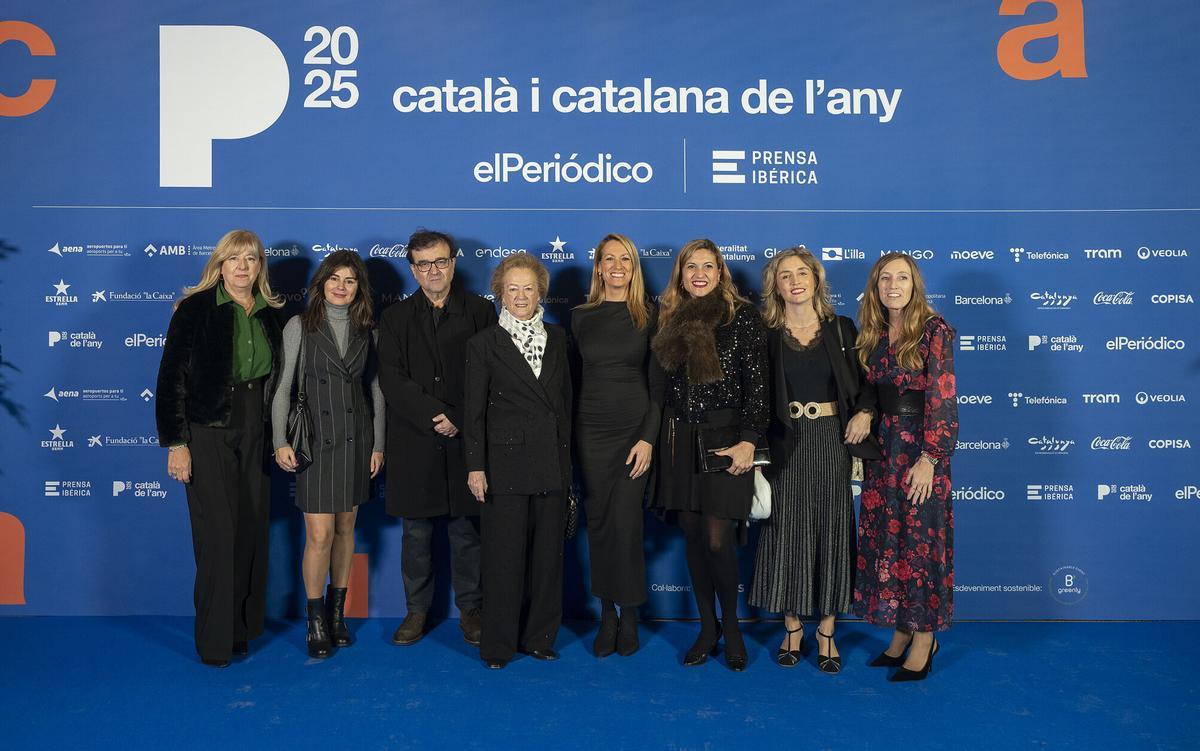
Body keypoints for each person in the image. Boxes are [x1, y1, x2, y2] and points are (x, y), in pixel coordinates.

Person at [155, 229, 284, 668]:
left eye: (251, 258)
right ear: (220, 265)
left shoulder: (273, 314)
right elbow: (171, 378)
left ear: (260, 266)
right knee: (217, 534)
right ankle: (214, 640)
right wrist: (176, 443)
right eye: (234, 259)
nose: (243, 267)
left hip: (256, 430)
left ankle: (242, 628)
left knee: (250, 529)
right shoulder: (194, 310)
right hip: (206, 430)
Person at [748, 247, 879, 673]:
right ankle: (791, 627)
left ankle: (826, 629)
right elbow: (755, 397)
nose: (794, 281)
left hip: (831, 439)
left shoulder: (841, 329)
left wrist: (864, 410)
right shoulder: (765, 335)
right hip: (785, 442)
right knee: (785, 530)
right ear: (776, 286)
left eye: (801, 272)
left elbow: (871, 382)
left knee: (831, 528)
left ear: (815, 279)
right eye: (785, 275)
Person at [649, 238, 767, 672]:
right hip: (678, 441)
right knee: (695, 539)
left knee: (718, 540)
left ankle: (732, 630)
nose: (699, 274)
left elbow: (758, 387)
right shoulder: (669, 321)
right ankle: (706, 628)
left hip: (725, 441)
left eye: (708, 266)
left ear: (721, 273)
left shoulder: (743, 318)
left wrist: (750, 441)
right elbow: (662, 391)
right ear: (680, 274)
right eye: (691, 267)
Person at [378, 230, 496, 647]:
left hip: (468, 440)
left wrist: (459, 418)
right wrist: (435, 415)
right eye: (424, 264)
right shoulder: (393, 318)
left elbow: (491, 374)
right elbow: (392, 379)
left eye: (441, 261)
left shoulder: (482, 312)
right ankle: (416, 611)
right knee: (417, 535)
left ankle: (471, 611)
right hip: (415, 440)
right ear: (413, 269)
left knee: (468, 533)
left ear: (454, 263)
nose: (434, 270)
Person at [272, 250, 385, 659]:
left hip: (355, 439)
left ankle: (338, 616)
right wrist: (280, 442)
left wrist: (378, 444)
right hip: (315, 443)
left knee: (344, 530)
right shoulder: (299, 326)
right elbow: (282, 388)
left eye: (350, 281)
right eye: (334, 279)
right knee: (318, 534)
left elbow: (376, 392)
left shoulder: (367, 330)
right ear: (320, 284)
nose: (341, 286)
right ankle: (315, 618)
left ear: (359, 289)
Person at [463, 254, 572, 669]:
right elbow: (473, 413)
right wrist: (475, 466)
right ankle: (498, 645)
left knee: (547, 561)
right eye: (513, 289)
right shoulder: (483, 343)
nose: (521, 296)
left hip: (550, 462)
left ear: (540, 292)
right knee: (503, 560)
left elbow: (564, 406)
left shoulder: (559, 339)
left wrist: (567, 467)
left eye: (528, 288)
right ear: (500, 294)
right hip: (503, 466)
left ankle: (540, 637)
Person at [853, 252, 958, 682]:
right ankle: (900, 633)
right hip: (884, 454)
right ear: (875, 287)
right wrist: (864, 411)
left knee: (919, 546)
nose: (892, 285)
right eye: (884, 279)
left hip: (920, 454)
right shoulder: (874, 333)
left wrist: (931, 459)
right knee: (890, 544)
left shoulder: (934, 330)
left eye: (901, 278)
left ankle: (923, 639)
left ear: (915, 284)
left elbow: (943, 396)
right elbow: (869, 390)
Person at [570, 233, 658, 658]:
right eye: (610, 259)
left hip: (633, 433)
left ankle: (631, 615)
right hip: (590, 432)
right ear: (599, 267)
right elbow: (570, 382)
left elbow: (660, 389)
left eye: (626, 259)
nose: (618, 266)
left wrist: (647, 438)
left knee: (626, 526)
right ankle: (606, 613)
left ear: (633, 267)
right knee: (599, 523)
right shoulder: (580, 317)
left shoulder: (651, 316)